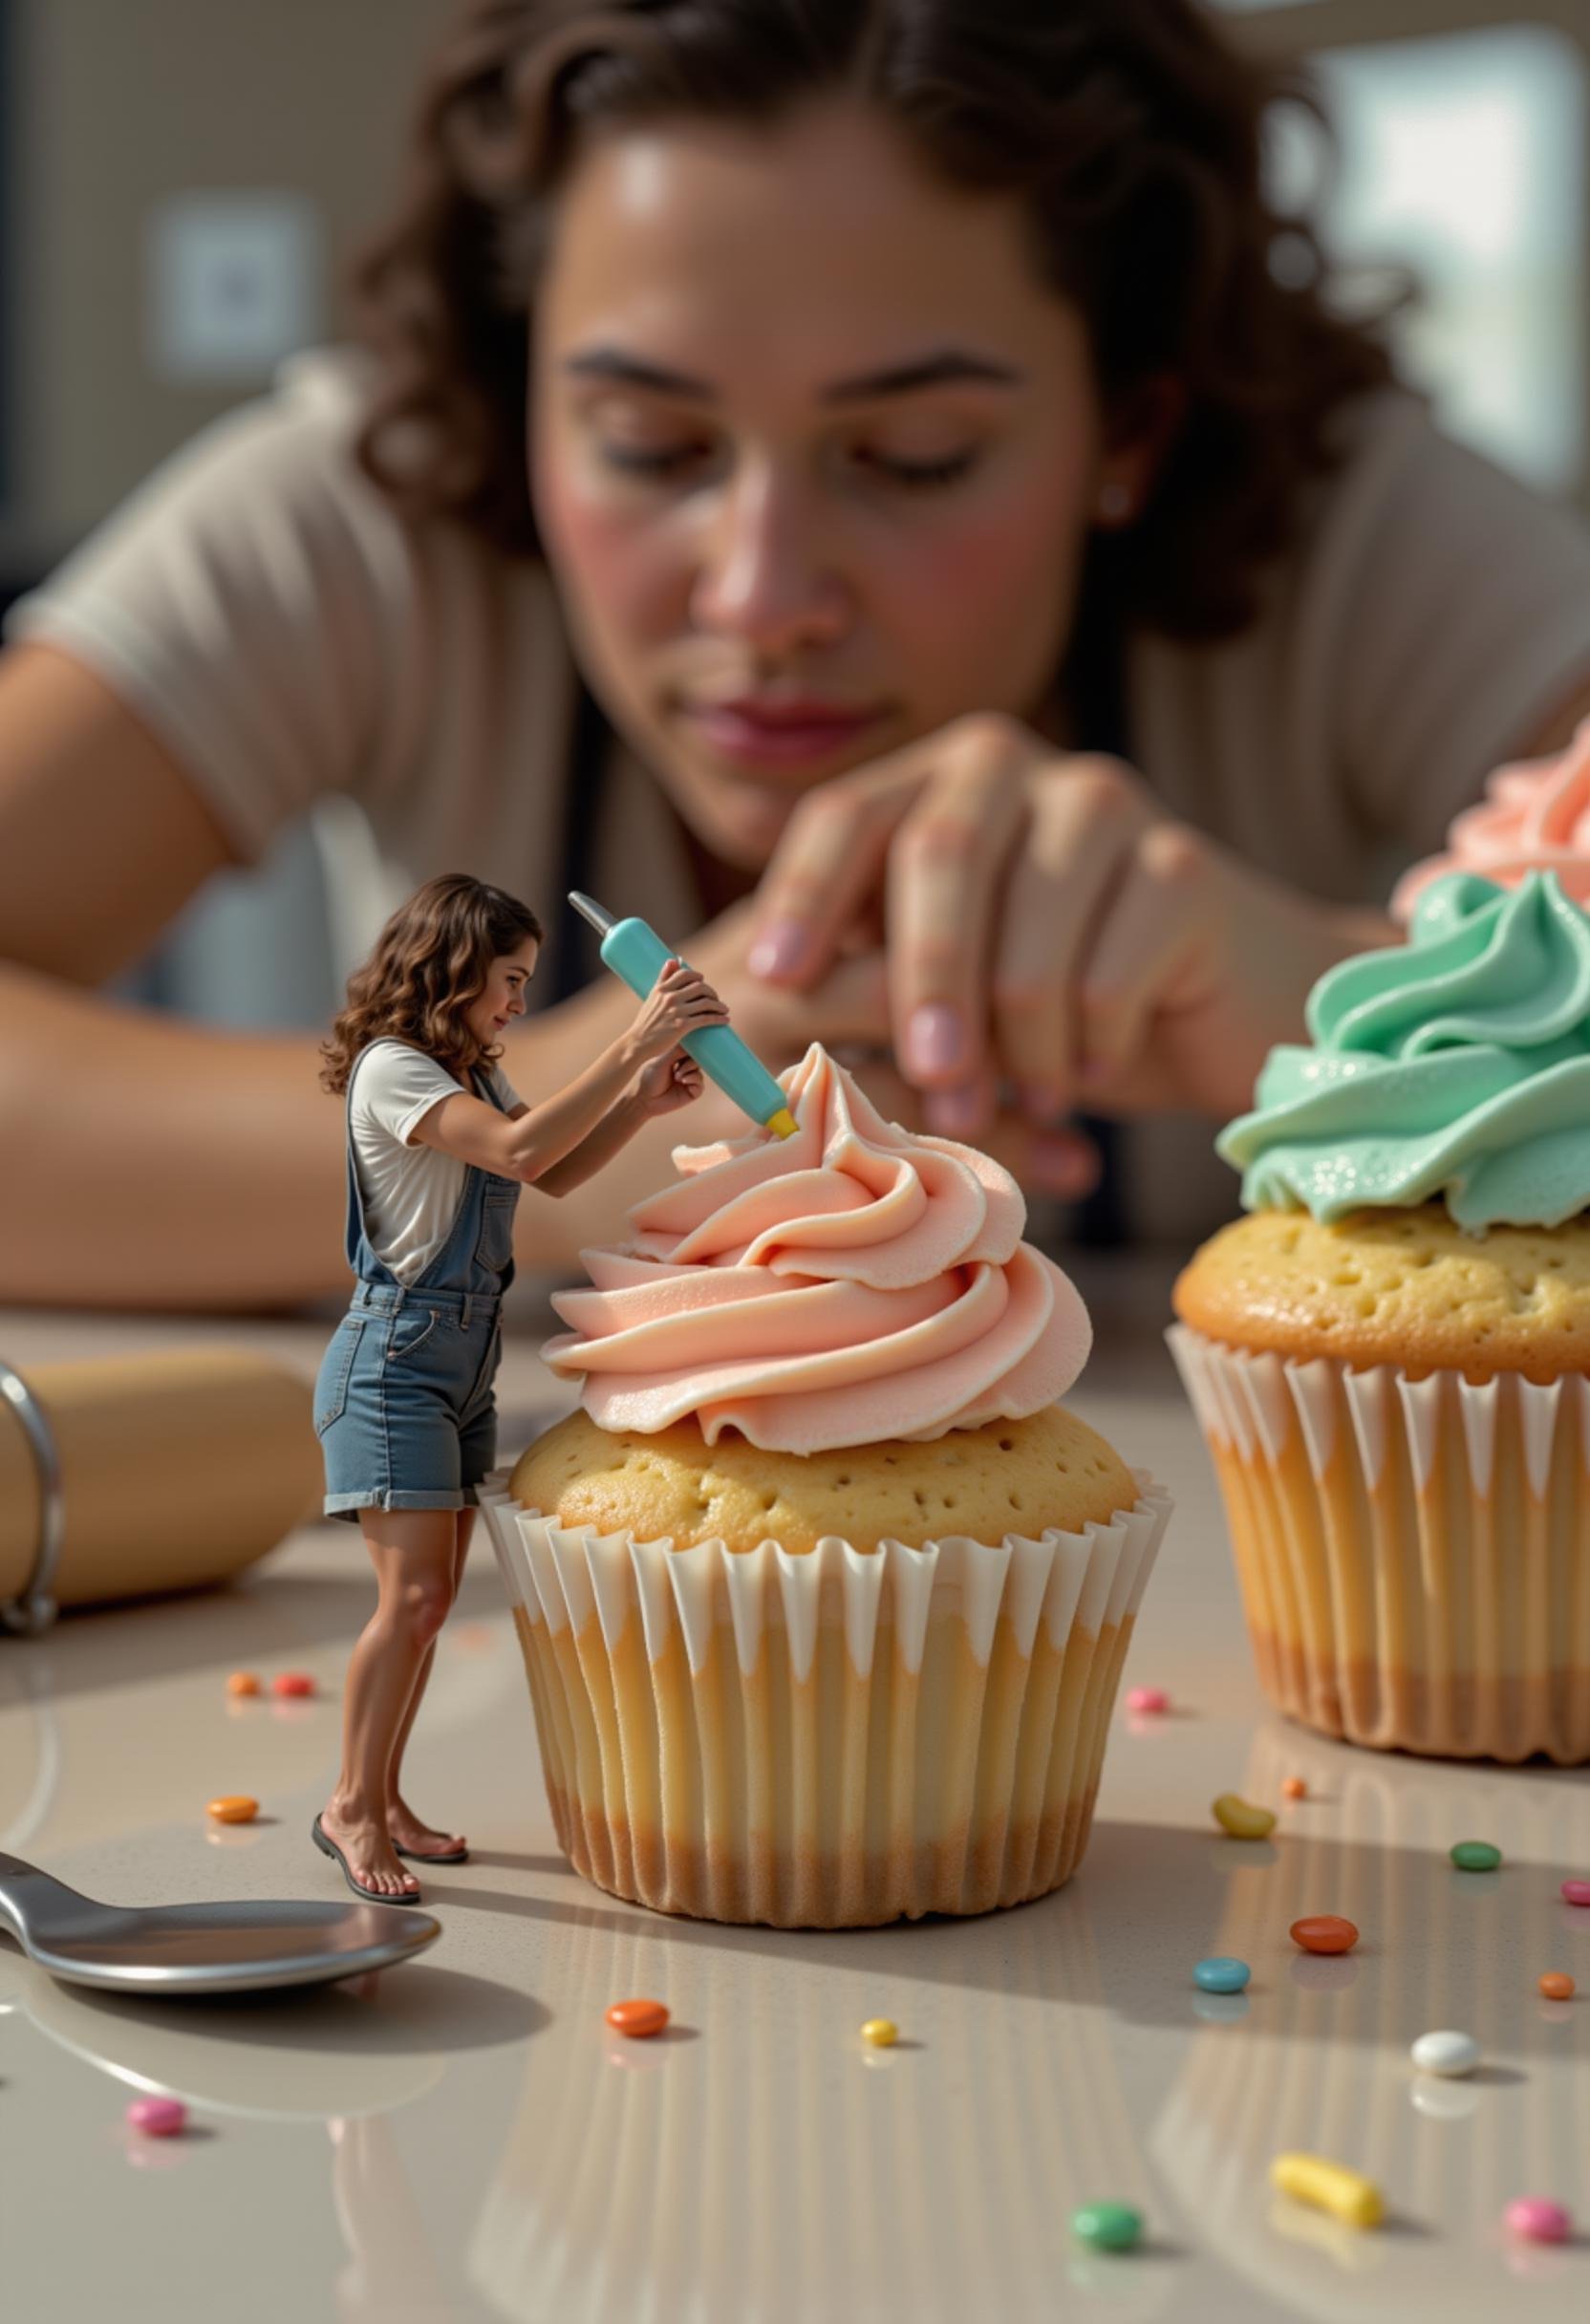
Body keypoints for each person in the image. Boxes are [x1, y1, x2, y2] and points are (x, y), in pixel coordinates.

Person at [5, 0, 1590, 1306]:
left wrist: (1345, 1011)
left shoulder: (1346, 520)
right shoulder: (374, 507)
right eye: (644, 444)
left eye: (910, 457)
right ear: (523, 394)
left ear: (1127, 426)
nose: (761, 597)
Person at [312, 872, 727, 1902]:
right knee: (406, 1597)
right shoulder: (395, 1071)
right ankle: (350, 1808)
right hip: (397, 1360)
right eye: (508, 977)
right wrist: (631, 1040)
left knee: (434, 1599)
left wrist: (641, 1098)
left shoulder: (473, 1075)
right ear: (450, 964)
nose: (516, 1000)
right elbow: (515, 1147)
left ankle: (384, 1794)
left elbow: (553, 1172)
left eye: (525, 979)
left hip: (465, 1358)